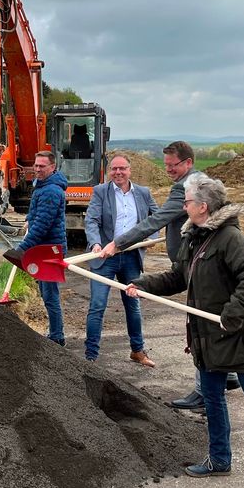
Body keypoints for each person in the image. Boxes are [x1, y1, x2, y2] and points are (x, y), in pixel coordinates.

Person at [125, 173, 244, 488]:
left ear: (202, 206)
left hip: (238, 336)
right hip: (208, 337)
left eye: (186, 201)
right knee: (212, 398)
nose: (182, 206)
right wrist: (142, 286)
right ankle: (219, 460)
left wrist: (231, 316)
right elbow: (178, 277)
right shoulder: (195, 238)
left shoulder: (230, 239)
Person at [99, 141, 239, 407]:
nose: (168, 171)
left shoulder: (189, 188)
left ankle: (204, 390)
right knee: (208, 321)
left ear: (187, 163)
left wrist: (118, 243)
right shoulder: (203, 182)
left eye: (172, 165)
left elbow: (157, 219)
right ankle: (227, 374)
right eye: (165, 166)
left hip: (198, 264)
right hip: (203, 262)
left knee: (200, 325)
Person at [84, 154, 159, 365]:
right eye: (114, 169)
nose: (118, 172)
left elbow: (158, 216)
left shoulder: (143, 193)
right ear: (109, 171)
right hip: (105, 257)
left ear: (130, 170)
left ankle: (138, 351)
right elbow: (91, 220)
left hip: (131, 257)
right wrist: (96, 244)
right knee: (97, 305)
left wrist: (151, 238)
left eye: (122, 168)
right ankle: (90, 356)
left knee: (133, 304)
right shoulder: (100, 191)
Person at [18, 151, 68, 346]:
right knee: (46, 291)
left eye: (42, 166)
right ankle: (56, 333)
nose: (37, 169)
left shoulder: (51, 191)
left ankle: (57, 336)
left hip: (49, 249)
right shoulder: (42, 186)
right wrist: (28, 220)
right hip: (43, 247)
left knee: (50, 294)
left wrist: (22, 248)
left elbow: (42, 225)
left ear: (52, 167)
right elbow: (37, 216)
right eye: (36, 165)